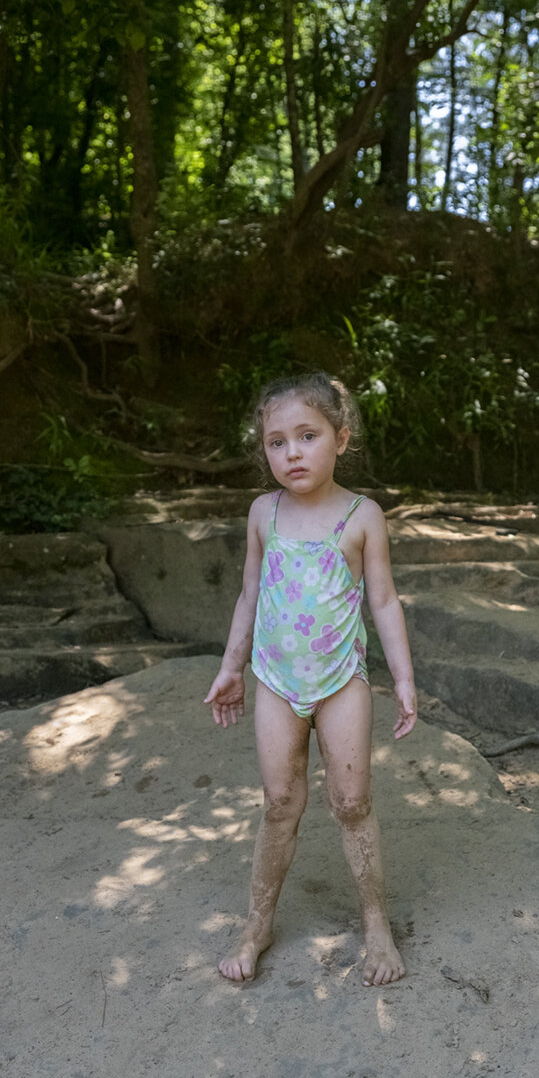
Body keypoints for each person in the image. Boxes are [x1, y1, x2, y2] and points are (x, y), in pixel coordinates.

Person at [204, 371, 417, 987]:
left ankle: (376, 924)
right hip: (275, 681)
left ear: (340, 438)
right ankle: (257, 923)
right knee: (280, 803)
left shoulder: (361, 516)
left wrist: (402, 678)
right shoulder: (262, 514)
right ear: (263, 449)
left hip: (341, 680)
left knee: (351, 803)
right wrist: (231, 668)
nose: (291, 452)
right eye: (276, 441)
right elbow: (249, 594)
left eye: (307, 435)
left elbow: (383, 602)